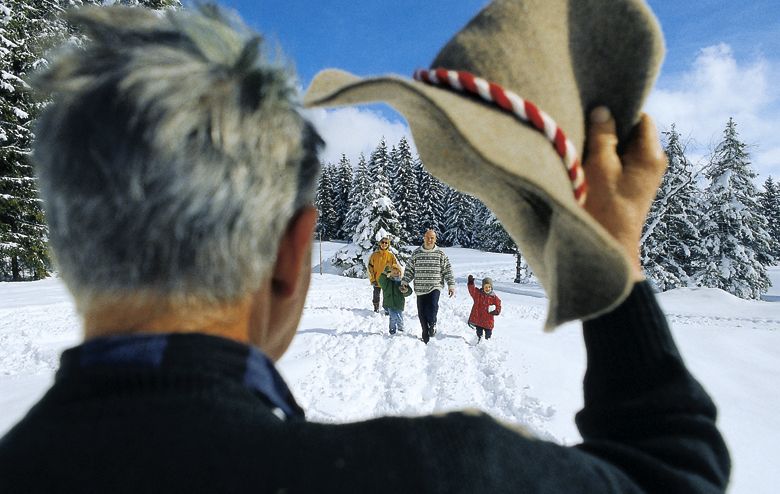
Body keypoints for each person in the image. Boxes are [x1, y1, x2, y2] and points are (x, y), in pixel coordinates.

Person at [0, 5, 730, 494]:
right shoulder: (444, 475)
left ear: (73, 246)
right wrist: (611, 258)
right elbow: (672, 468)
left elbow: (434, 267)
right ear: (293, 256)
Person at [401, 229, 455, 343]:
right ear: (424, 238)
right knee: (421, 312)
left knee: (433, 305)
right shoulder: (416, 253)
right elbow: (409, 270)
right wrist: (405, 282)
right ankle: (425, 333)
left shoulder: (440, 254)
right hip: (420, 288)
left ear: (435, 239)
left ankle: (433, 323)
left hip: (435, 285)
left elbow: (447, 270)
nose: (430, 240)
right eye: (428, 237)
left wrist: (451, 285)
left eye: (432, 238)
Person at [377, 264, 411, 334]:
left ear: (400, 273)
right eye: (394, 273)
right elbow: (381, 280)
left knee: (399, 317)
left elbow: (409, 291)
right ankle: (392, 330)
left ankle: (401, 329)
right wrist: (385, 272)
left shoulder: (402, 282)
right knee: (392, 317)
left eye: (397, 272)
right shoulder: (387, 282)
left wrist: (405, 290)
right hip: (390, 303)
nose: (396, 274)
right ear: (391, 273)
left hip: (399, 303)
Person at [467, 275, 502, 342]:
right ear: (483, 287)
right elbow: (472, 290)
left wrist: (497, 311)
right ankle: (479, 343)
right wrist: (471, 283)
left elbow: (498, 305)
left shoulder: (494, 297)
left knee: (488, 336)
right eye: (486, 287)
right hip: (479, 321)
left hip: (488, 322)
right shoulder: (478, 294)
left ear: (491, 287)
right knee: (479, 334)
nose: (487, 288)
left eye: (489, 287)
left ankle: (487, 346)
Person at [367, 236, 397, 313]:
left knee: (387, 296)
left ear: (388, 245)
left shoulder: (391, 256)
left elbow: (395, 267)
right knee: (376, 295)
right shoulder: (374, 255)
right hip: (377, 280)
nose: (384, 244)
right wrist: (372, 279)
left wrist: (392, 277)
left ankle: (387, 310)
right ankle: (376, 308)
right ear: (380, 244)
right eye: (382, 242)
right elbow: (370, 268)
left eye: (386, 243)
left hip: (387, 281)